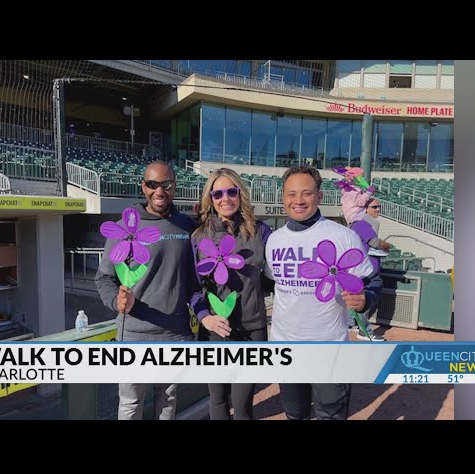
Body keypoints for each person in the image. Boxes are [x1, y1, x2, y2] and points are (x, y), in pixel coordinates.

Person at [264, 165, 382, 420]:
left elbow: (373, 280)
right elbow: (274, 285)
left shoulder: (343, 236)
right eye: (291, 194)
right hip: (286, 349)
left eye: (306, 193)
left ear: (319, 196)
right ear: (283, 197)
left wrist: (365, 299)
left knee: (331, 417)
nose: (298, 201)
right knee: (296, 416)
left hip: (330, 350)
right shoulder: (274, 240)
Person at [95, 161, 196, 420]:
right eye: (152, 184)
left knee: (168, 402)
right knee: (131, 404)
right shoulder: (124, 229)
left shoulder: (187, 227)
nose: (159, 191)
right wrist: (115, 301)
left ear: (175, 186)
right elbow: (104, 277)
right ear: (143, 186)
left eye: (166, 184)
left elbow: (194, 281)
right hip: (133, 335)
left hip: (175, 333)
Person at [190, 168, 272, 420]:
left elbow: (273, 277)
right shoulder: (198, 236)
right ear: (210, 199)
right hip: (216, 329)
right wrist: (205, 315)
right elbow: (191, 287)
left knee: (243, 403)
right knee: (217, 400)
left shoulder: (261, 232)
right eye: (218, 194)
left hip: (252, 328)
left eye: (231, 191)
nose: (225, 199)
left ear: (240, 194)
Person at [350, 198, 389, 341]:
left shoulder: (362, 223)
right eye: (374, 207)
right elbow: (374, 242)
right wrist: (387, 245)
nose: (377, 209)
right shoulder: (361, 223)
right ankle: (364, 331)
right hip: (365, 269)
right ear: (365, 208)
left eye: (378, 206)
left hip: (365, 266)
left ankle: (354, 325)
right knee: (364, 297)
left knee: (357, 298)